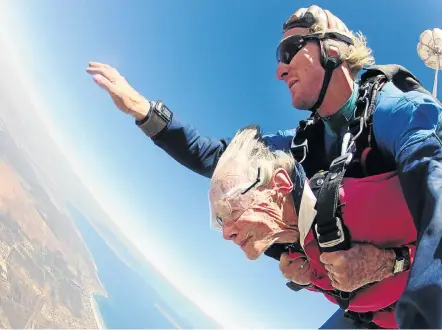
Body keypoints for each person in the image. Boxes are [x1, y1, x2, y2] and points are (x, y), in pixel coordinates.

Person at [86, 5, 442, 329]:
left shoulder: (399, 112)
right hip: (366, 312)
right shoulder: (303, 142)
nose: (279, 69)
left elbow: (436, 188)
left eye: (289, 51)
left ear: (332, 49)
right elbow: (223, 160)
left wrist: (396, 266)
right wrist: (145, 112)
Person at [208, 124, 416, 329]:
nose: (226, 233)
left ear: (280, 185)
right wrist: (308, 282)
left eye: (231, 208)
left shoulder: (354, 205)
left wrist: (391, 262)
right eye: (218, 219)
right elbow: (345, 285)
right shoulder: (296, 245)